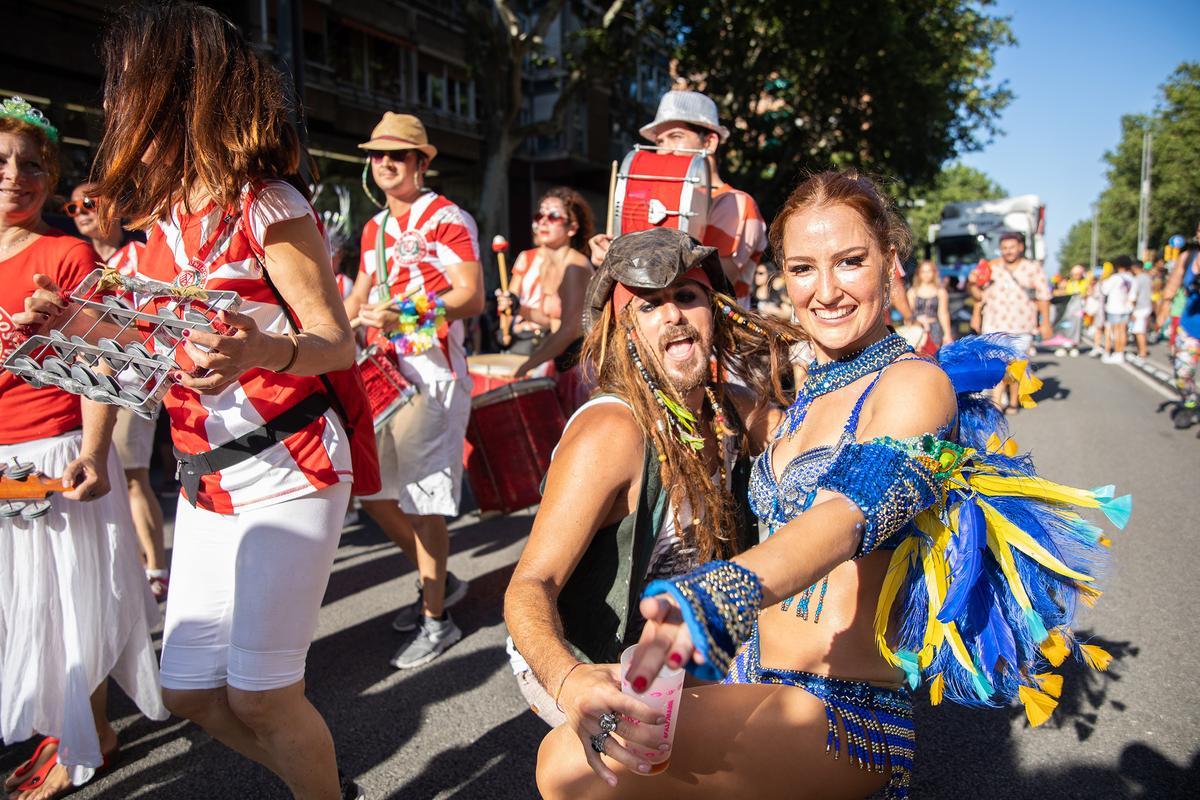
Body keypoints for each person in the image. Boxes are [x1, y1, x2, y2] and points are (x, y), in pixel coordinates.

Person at [535, 171, 1126, 800]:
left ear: (891, 263)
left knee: (570, 765)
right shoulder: (794, 400)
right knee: (603, 738)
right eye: (802, 269)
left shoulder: (915, 386)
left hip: (841, 713)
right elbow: (690, 399)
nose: (826, 291)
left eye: (849, 263)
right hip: (746, 679)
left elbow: (845, 516)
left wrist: (716, 592)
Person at [19, 6, 373, 798]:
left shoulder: (268, 202)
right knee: (187, 692)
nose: (119, 111)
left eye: (131, 91)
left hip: (292, 465)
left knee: (260, 694)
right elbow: (134, 336)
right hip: (208, 483)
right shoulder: (156, 224)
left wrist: (259, 350)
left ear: (179, 96)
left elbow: (334, 340)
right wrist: (66, 318)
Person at [504, 228, 790, 746]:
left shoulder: (736, 409)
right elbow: (530, 584)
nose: (673, 315)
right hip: (592, 655)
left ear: (714, 313)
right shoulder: (612, 432)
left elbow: (815, 450)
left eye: (686, 296)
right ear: (627, 331)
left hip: (690, 637)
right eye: (649, 306)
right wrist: (570, 681)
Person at [0, 96, 166, 800]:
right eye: (2, 161)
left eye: (33, 164)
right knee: (18, 607)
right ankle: (61, 729)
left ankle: (86, 735)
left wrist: (96, 453)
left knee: (68, 604)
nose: (17, 175)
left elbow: (103, 366)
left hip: (56, 451)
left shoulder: (66, 254)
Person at [345, 111, 483, 670]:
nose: (384, 164)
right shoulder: (375, 228)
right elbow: (356, 299)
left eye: (396, 155)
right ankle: (440, 582)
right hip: (384, 377)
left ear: (422, 163)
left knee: (425, 505)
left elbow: (471, 296)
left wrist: (403, 309)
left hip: (434, 377)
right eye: (376, 154)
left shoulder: (448, 217)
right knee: (375, 495)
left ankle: (436, 621)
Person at [66, 181, 169, 600]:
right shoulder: (78, 263)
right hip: (89, 384)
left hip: (133, 380)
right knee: (102, 473)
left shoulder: (143, 254)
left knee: (131, 475)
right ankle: (131, 565)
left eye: (90, 202)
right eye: (72, 207)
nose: (82, 211)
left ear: (115, 205)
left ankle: (156, 568)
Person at [588, 90, 767, 307]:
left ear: (709, 142)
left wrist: (630, 257)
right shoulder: (660, 203)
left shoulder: (734, 202)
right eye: (660, 141)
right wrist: (611, 254)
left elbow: (718, 281)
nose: (664, 151)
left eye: (676, 137)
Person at [496, 186, 595, 385]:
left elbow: (568, 331)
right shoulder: (545, 263)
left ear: (572, 228)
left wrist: (525, 368)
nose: (543, 221)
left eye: (553, 217)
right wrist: (515, 307)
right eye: (540, 215)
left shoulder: (575, 266)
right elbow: (551, 322)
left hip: (577, 370)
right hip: (556, 360)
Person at [969, 231, 1051, 413]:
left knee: (1016, 366)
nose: (1008, 251)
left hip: (1022, 325)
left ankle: (1013, 401)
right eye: (1005, 248)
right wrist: (973, 284)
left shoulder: (1033, 268)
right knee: (996, 365)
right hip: (994, 323)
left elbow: (1043, 296)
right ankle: (997, 402)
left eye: (1012, 247)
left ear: (1021, 247)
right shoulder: (991, 267)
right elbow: (977, 295)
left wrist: (1045, 322)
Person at [1157, 225, 1200, 428]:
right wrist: (1163, 311)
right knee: (1182, 373)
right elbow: (1173, 284)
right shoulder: (1189, 257)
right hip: (1190, 327)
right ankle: (1190, 403)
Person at [906, 258, 953, 350]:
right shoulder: (912, 292)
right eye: (923, 271)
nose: (926, 274)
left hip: (935, 330)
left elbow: (943, 314)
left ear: (934, 273)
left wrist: (947, 334)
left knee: (934, 358)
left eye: (929, 271)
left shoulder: (941, 292)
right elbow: (908, 314)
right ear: (919, 273)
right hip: (917, 329)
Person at [1100, 255, 1137, 364]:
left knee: (1116, 331)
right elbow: (1133, 296)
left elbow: (1105, 290)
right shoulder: (1131, 278)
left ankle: (1117, 352)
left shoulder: (1115, 278)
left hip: (1114, 308)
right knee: (1123, 331)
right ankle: (1121, 353)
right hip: (1126, 308)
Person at [1130, 261, 1154, 360]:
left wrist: (1133, 310)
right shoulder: (1148, 278)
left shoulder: (1137, 279)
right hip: (1147, 306)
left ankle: (1142, 352)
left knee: (1139, 331)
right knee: (1141, 330)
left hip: (1139, 307)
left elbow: (1133, 296)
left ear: (1135, 268)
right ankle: (1141, 350)